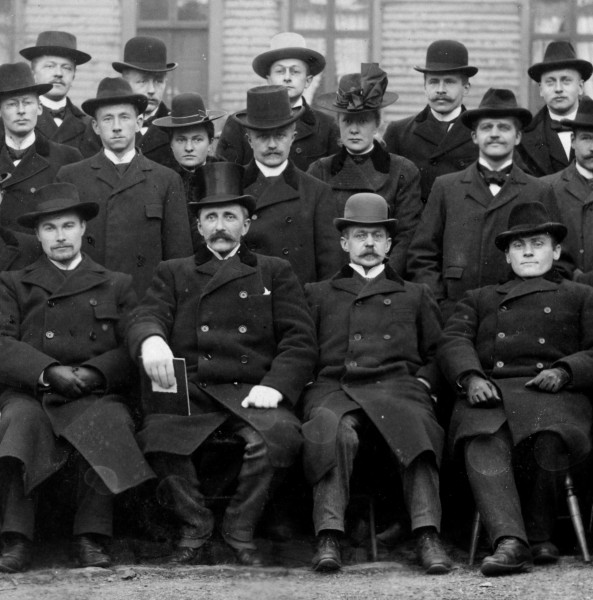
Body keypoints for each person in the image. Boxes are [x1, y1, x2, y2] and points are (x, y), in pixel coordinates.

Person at [126, 161, 316, 567]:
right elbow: (147, 315)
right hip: (194, 389)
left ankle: (239, 529)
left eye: (230, 216)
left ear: (246, 225)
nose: (220, 225)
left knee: (279, 438)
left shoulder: (275, 271)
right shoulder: (174, 272)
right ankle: (196, 527)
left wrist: (277, 385)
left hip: (252, 389)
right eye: (211, 216)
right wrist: (153, 341)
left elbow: (300, 340)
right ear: (198, 227)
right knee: (158, 437)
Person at [0, 182, 154, 572]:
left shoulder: (115, 282)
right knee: (21, 423)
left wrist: (95, 371)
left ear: (84, 229)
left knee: (108, 421)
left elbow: (129, 339)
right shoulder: (14, 282)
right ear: (37, 235)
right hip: (33, 391)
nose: (60, 236)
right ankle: (16, 537)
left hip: (93, 390)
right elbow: (2, 341)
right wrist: (47, 371)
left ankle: (91, 536)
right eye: (49, 229)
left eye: (68, 226)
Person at [438, 201, 593, 576]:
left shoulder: (580, 295)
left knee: (551, 436)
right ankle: (511, 542)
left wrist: (566, 370)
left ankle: (541, 533)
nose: (527, 252)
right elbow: (452, 341)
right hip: (491, 390)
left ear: (555, 251)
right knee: (480, 439)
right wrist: (471, 377)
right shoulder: (479, 298)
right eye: (518, 245)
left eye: (537, 243)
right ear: (507, 255)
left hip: (556, 393)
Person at [302, 193, 450, 574]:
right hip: (337, 387)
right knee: (332, 429)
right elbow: (302, 350)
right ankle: (329, 534)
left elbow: (438, 352)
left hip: (397, 387)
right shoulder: (318, 294)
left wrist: (424, 382)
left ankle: (427, 533)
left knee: (416, 426)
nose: (368, 244)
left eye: (376, 236)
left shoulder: (414, 294)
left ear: (388, 244)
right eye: (359, 235)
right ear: (344, 243)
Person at [407, 88, 564, 321]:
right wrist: (439, 305)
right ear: (473, 136)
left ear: (518, 137)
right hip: (455, 314)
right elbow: (422, 255)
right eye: (486, 127)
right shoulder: (446, 187)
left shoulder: (539, 190)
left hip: (520, 317)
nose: (494, 134)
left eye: (504, 127)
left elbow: (559, 259)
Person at [56, 77, 192, 296]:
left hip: (145, 305)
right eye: (107, 119)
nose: (117, 127)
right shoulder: (71, 176)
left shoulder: (166, 179)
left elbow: (179, 260)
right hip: (88, 300)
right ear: (95, 126)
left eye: (124, 117)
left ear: (138, 123)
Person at [308, 63, 422, 276]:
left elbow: (407, 236)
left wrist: (382, 278)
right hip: (334, 281)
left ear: (378, 123)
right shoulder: (320, 171)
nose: (353, 129)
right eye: (347, 121)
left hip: (385, 280)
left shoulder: (402, 171)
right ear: (338, 124)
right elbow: (314, 237)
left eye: (362, 120)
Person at [234, 84, 342, 285]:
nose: (273, 144)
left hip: (297, 305)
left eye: (280, 135)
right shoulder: (233, 186)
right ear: (249, 140)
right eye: (263, 136)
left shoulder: (317, 192)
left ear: (293, 137)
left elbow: (330, 268)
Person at [217, 32, 339, 171]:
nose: (287, 78)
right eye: (280, 71)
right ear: (268, 79)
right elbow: (226, 177)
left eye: (295, 71)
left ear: (308, 80)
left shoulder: (326, 125)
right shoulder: (238, 124)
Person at [383, 40, 479, 203]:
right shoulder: (399, 132)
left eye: (449, 81)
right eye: (434, 81)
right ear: (424, 86)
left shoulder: (480, 133)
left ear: (466, 88)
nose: (440, 89)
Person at [0, 62, 82, 232]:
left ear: (39, 108)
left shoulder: (67, 158)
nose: (21, 110)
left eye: (28, 103)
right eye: (12, 104)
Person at [81, 36, 178, 166]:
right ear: (125, 82)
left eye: (158, 81)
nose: (151, 90)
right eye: (142, 81)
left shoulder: (175, 125)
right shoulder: (101, 125)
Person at [153, 92, 226, 250]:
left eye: (197, 139)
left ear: (210, 143)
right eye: (181, 139)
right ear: (171, 144)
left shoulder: (224, 174)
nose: (189, 148)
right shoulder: (159, 178)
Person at [519, 41, 592, 178]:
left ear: (581, 86)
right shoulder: (524, 138)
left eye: (566, 81)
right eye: (550, 82)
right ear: (541, 89)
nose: (558, 89)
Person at [542, 96, 593, 283]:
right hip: (562, 298)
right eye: (586, 138)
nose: (592, 148)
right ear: (573, 140)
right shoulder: (546, 188)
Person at [20, 30, 92, 152]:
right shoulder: (19, 119)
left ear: (74, 75)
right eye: (50, 66)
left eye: (66, 68)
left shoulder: (88, 124)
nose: (58, 73)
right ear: (33, 74)